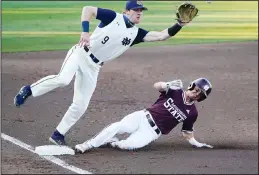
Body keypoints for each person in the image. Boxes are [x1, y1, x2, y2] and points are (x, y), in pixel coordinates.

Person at [14, 0, 192, 145]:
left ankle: (58, 134)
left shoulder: (136, 34)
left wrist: (179, 24)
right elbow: (87, 9)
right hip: (81, 52)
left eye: (141, 10)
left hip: (94, 67)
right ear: (126, 11)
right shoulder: (113, 17)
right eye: (136, 10)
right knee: (63, 79)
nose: (139, 13)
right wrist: (84, 32)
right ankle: (29, 90)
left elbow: (161, 35)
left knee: (81, 104)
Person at [75, 78, 213, 153]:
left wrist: (197, 144)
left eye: (199, 94)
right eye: (195, 90)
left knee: (126, 146)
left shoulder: (192, 113)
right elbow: (157, 86)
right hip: (142, 116)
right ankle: (87, 145)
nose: (195, 93)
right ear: (191, 86)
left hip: (152, 132)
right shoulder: (175, 91)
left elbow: (187, 133)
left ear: (201, 98)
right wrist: (166, 84)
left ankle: (111, 141)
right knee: (118, 126)